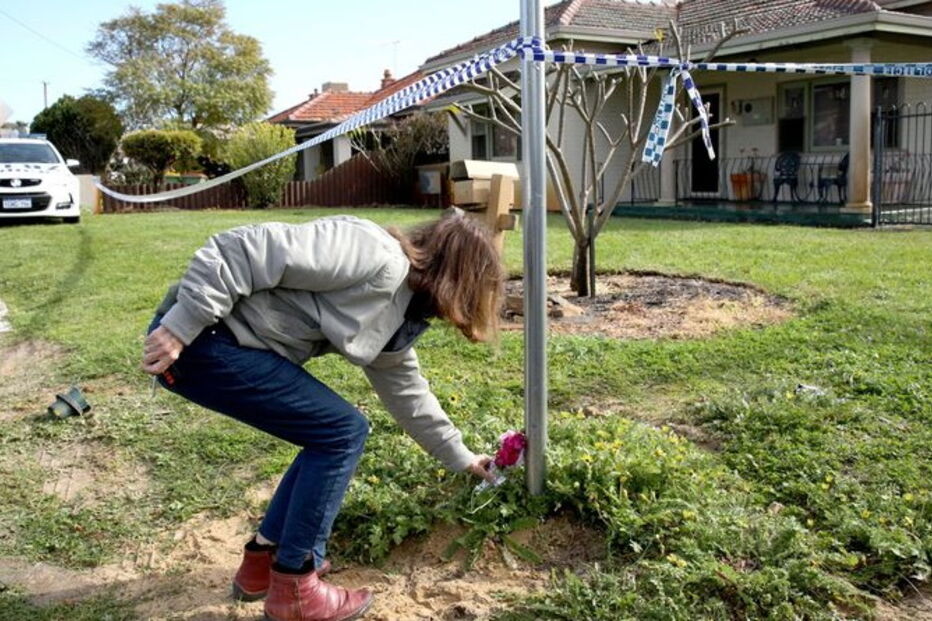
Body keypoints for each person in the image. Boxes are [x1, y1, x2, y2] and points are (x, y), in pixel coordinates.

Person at [142, 210, 503, 621]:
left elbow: (407, 391)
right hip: (202, 340)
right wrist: (180, 326)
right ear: (459, 276)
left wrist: (462, 456)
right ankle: (295, 586)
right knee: (340, 431)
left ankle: (264, 562)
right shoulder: (372, 253)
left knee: (329, 432)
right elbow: (240, 249)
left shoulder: (400, 310)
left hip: (224, 347)